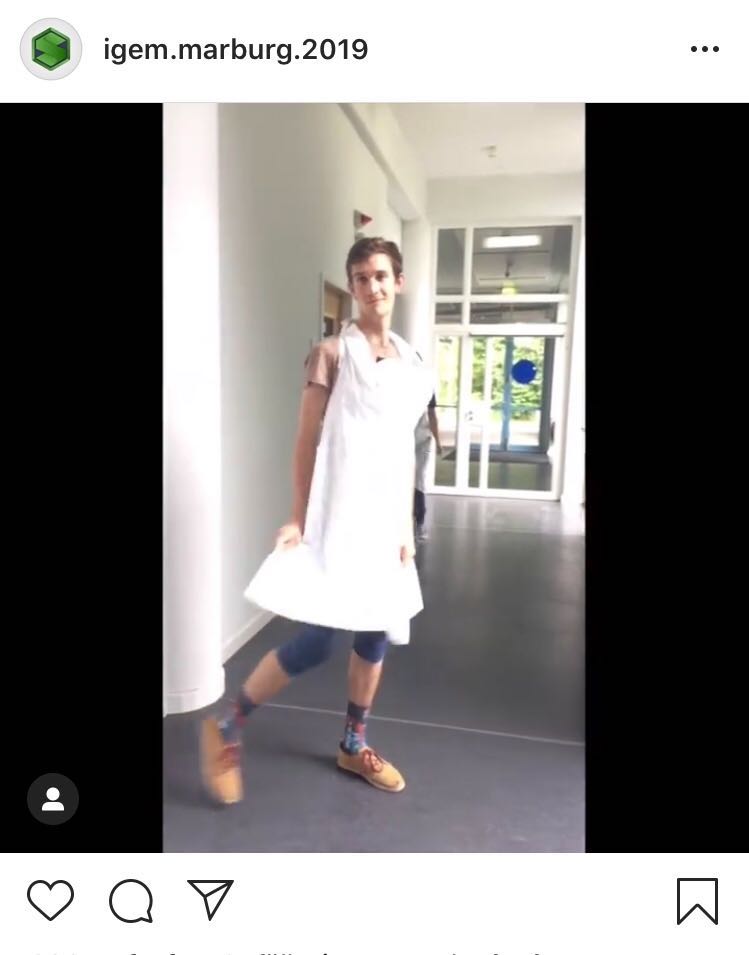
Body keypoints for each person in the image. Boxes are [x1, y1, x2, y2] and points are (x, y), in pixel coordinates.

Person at [200, 237, 433, 805]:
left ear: (398, 282)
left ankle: (354, 743)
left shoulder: (413, 364)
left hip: (384, 525)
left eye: (381, 276)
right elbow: (306, 441)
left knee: (376, 630)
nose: (372, 286)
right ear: (351, 287)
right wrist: (297, 517)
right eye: (361, 278)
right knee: (321, 638)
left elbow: (403, 448)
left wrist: (405, 526)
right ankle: (228, 725)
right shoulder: (331, 353)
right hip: (338, 517)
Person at [413, 393, 442, 542]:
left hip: (423, 440)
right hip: (403, 437)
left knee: (419, 479)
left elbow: (432, 414)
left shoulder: (428, 388)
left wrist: (438, 441)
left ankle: (420, 523)